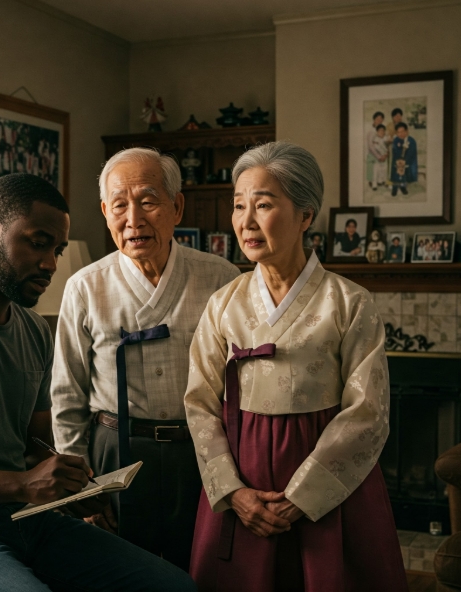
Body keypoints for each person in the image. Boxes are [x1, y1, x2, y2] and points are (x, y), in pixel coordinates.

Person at [0, 173, 195, 592]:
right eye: (38, 243)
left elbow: (32, 449)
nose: (51, 264)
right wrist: (23, 484)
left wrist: (70, 486)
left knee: (175, 587)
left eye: (58, 250)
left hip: (24, 520)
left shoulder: (34, 330)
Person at [185, 141, 407, 591]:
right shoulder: (222, 305)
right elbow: (199, 402)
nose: (245, 221)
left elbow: (368, 413)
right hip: (242, 485)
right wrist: (233, 493)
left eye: (263, 205)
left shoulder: (349, 303)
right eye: (238, 206)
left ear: (305, 216)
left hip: (329, 492)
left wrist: (302, 498)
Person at [51, 148, 239, 571]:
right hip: (114, 451)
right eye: (119, 204)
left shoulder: (221, 278)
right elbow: (66, 396)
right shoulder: (85, 287)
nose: (133, 218)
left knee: (198, 569)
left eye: (148, 201)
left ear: (177, 206)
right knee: (119, 571)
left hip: (198, 449)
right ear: (105, 211)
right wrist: (82, 489)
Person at [390, 122, 418, 196]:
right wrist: (398, 161)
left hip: (407, 161)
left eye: (402, 131)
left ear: (406, 131)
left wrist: (405, 161)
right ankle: (394, 188)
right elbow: (395, 150)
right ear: (396, 133)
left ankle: (403, 187)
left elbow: (411, 153)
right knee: (396, 175)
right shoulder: (396, 140)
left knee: (404, 175)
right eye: (398, 132)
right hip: (397, 161)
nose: (401, 134)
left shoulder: (411, 141)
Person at [366, 111, 384, 187]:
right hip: (371, 152)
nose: (379, 120)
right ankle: (371, 181)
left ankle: (379, 181)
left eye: (381, 119)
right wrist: (378, 155)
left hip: (380, 151)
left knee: (380, 168)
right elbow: (370, 145)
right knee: (372, 168)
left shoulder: (382, 129)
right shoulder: (370, 130)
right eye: (377, 119)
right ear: (374, 119)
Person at [370, 124, 388, 190]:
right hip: (377, 158)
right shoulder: (375, 139)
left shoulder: (386, 138)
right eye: (380, 131)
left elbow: (388, 148)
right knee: (376, 170)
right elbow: (375, 149)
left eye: (383, 130)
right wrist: (380, 156)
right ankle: (374, 185)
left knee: (384, 170)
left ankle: (382, 181)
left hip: (385, 157)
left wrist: (385, 155)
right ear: (377, 132)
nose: (381, 132)